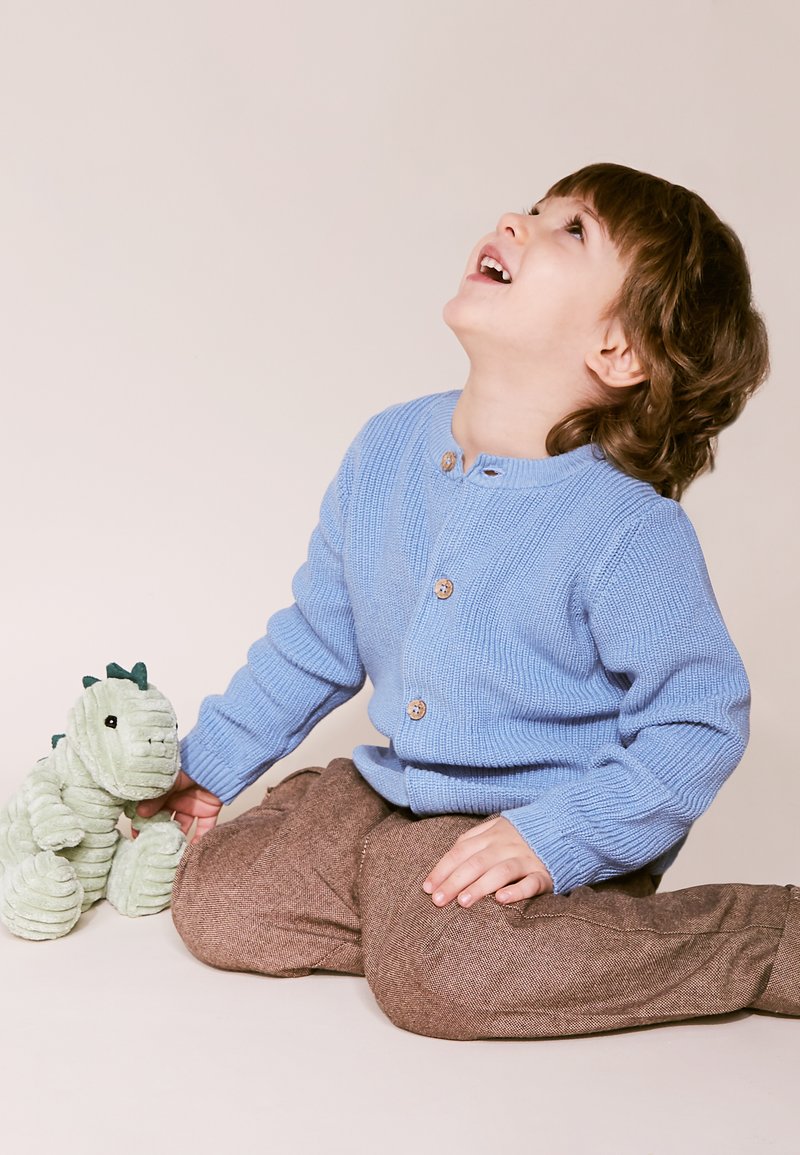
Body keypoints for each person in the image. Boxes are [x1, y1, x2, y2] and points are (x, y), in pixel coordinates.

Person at [139, 162, 799, 1039]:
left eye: (571, 232)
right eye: (534, 207)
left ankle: (766, 935)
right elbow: (317, 638)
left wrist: (559, 836)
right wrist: (207, 763)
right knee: (219, 904)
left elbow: (699, 720)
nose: (515, 221)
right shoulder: (388, 447)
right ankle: (405, 896)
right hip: (397, 793)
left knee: (447, 980)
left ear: (620, 351)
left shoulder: (625, 528)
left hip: (543, 822)